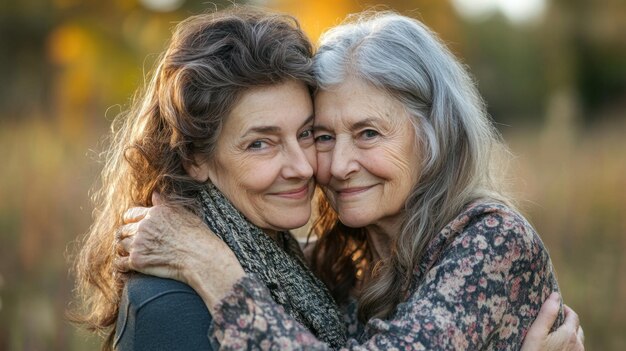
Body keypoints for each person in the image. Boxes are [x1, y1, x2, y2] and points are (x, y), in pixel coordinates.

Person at [116, 10, 584, 351]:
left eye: (368, 133)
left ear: (434, 136)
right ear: (195, 156)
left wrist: (212, 267)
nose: (335, 165)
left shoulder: (490, 240)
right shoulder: (340, 258)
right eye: (323, 135)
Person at [71, 7, 348, 350]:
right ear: (194, 159)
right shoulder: (171, 305)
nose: (302, 168)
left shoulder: (287, 262)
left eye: (305, 133)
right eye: (260, 143)